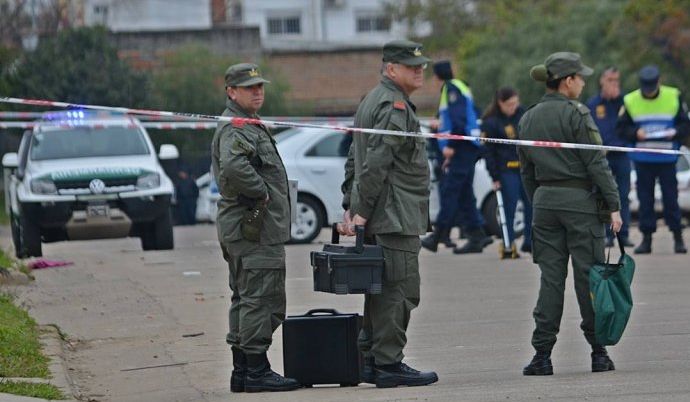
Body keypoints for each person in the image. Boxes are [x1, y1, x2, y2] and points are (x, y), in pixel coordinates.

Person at [339, 39, 438, 388]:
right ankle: (388, 363)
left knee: (379, 290)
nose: (420, 71)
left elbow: (355, 157)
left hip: (383, 211)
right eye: (412, 66)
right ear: (391, 69)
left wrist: (351, 204)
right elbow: (377, 160)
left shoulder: (372, 99)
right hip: (394, 213)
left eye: (421, 66)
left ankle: (371, 358)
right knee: (400, 291)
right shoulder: (393, 106)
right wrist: (361, 211)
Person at [517, 52, 622, 375]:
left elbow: (526, 171)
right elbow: (596, 162)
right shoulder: (577, 113)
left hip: (545, 203)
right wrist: (614, 204)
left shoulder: (528, 117)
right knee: (589, 278)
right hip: (579, 204)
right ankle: (598, 351)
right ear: (567, 81)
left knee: (550, 280)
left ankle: (542, 355)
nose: (583, 83)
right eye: (580, 77)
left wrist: (541, 200)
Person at [211, 63, 300, 393]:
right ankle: (257, 370)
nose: (258, 92)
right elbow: (234, 166)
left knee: (247, 297)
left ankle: (243, 371)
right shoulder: (237, 126)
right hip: (253, 225)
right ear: (232, 92)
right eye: (250, 88)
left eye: (260, 86)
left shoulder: (248, 123)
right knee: (261, 297)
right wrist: (261, 191)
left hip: (249, 225)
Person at [616, 65, 690, 254]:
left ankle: (678, 238)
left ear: (659, 82)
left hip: (667, 159)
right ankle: (646, 239)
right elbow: (621, 129)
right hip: (643, 159)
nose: (648, 92)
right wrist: (635, 133)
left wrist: (675, 132)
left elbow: (685, 125)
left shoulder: (673, 96)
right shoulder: (630, 100)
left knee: (671, 199)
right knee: (645, 201)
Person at [421, 60, 492, 254]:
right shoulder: (460, 86)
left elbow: (459, 120)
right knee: (464, 192)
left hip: (461, 146)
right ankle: (477, 235)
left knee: (450, 190)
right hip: (467, 146)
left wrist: (451, 146)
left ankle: (438, 235)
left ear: (437, 77)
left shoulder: (451, 89)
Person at [481, 86, 533, 258]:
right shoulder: (491, 122)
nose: (513, 107)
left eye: (515, 103)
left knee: (531, 206)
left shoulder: (522, 115)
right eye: (509, 104)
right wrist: (494, 176)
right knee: (509, 208)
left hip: (524, 169)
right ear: (500, 103)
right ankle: (508, 244)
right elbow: (487, 152)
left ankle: (529, 242)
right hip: (506, 170)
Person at [585, 67, 634, 248]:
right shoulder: (593, 103)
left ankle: (623, 234)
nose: (614, 84)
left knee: (623, 195)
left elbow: (631, 126)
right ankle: (606, 234)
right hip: (601, 157)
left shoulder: (625, 102)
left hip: (621, 155)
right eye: (610, 80)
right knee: (602, 194)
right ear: (602, 81)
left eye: (616, 80)